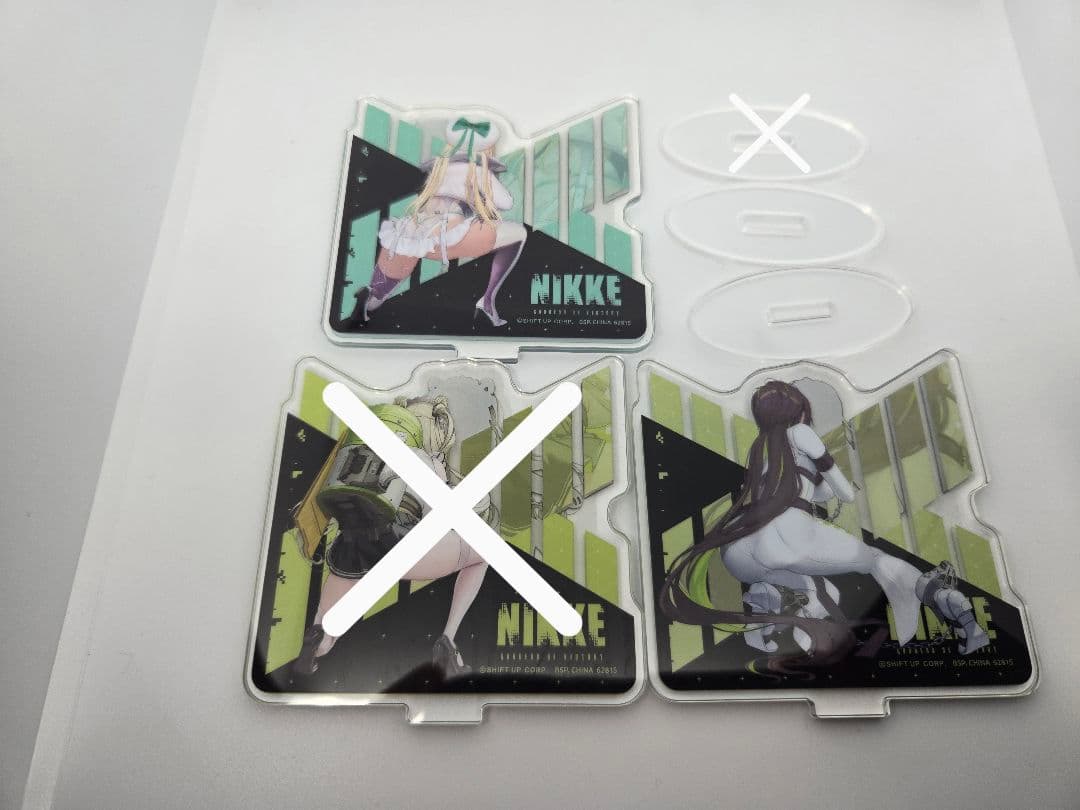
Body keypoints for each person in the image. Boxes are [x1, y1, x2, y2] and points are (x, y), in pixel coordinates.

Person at [659, 380, 989, 662]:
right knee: (875, 560)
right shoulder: (800, 432)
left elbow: (808, 491)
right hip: (786, 535)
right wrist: (840, 480)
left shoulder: (760, 449)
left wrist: (818, 485)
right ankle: (958, 615)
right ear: (799, 412)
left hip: (739, 550)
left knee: (819, 590)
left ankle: (764, 618)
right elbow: (842, 493)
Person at [293, 396, 493, 679]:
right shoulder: (427, 460)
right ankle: (447, 640)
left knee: (327, 627)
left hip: (350, 546)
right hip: (400, 543)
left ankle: (315, 643)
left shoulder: (364, 453)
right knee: (484, 552)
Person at [344, 117, 527, 328]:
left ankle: (368, 300)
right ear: (486, 150)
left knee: (384, 285)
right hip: (447, 234)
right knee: (518, 233)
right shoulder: (480, 172)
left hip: (412, 229)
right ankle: (487, 301)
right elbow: (506, 202)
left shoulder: (440, 168)